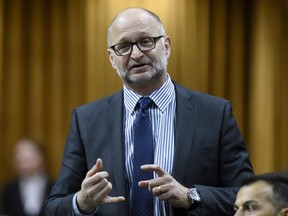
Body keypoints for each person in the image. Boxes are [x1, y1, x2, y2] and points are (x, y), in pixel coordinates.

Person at [45, 7, 253, 216]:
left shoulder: (215, 114)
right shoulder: (86, 120)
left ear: (167, 46)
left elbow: (248, 197)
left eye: (145, 41)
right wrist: (82, 202)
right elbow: (54, 207)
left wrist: (190, 196)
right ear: (111, 58)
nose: (136, 54)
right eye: (123, 46)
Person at [1, 138, 54, 216]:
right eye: (18, 158)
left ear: (41, 157)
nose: (22, 162)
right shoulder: (8, 189)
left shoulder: (55, 186)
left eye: (26, 158)